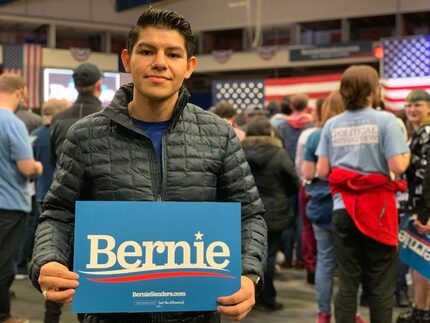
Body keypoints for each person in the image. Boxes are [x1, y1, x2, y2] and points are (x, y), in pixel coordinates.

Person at [29, 8, 267, 323]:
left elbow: (249, 215)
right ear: (127, 60)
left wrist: (250, 274)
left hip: (195, 315)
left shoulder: (218, 134)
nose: (159, 62)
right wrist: (46, 261)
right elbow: (58, 214)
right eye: (147, 51)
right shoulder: (85, 135)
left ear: (189, 66)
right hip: (109, 315)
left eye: (172, 54)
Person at [316, 65, 411, 323]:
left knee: (347, 281)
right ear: (372, 90)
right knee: (381, 283)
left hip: (342, 209)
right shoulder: (387, 121)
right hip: (378, 210)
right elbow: (397, 166)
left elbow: (322, 170)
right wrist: (407, 153)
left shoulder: (332, 124)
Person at [241, 116, 299, 312]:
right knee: (270, 255)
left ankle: (248, 297)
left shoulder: (238, 151)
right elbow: (294, 181)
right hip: (275, 211)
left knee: (247, 255)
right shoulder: (279, 153)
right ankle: (267, 299)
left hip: (246, 210)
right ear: (271, 132)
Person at [0, 73, 43, 323]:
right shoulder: (12, 123)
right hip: (9, 205)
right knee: (4, 263)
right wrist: (38, 166)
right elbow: (27, 168)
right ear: (20, 93)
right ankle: (4, 315)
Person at [31, 98, 68, 323]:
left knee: (46, 251)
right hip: (61, 195)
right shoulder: (67, 132)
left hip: (40, 192)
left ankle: (50, 316)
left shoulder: (35, 134)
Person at [396, 90, 430, 323]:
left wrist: (426, 214)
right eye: (408, 106)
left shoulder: (427, 133)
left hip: (423, 207)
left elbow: (428, 174)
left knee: (422, 261)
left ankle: (422, 312)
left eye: (417, 105)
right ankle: (420, 309)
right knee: (418, 262)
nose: (412, 109)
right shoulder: (417, 132)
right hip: (416, 204)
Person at [50, 62, 103, 164]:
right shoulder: (110, 118)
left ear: (75, 87)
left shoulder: (58, 119)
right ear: (99, 86)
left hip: (63, 179)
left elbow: (53, 159)